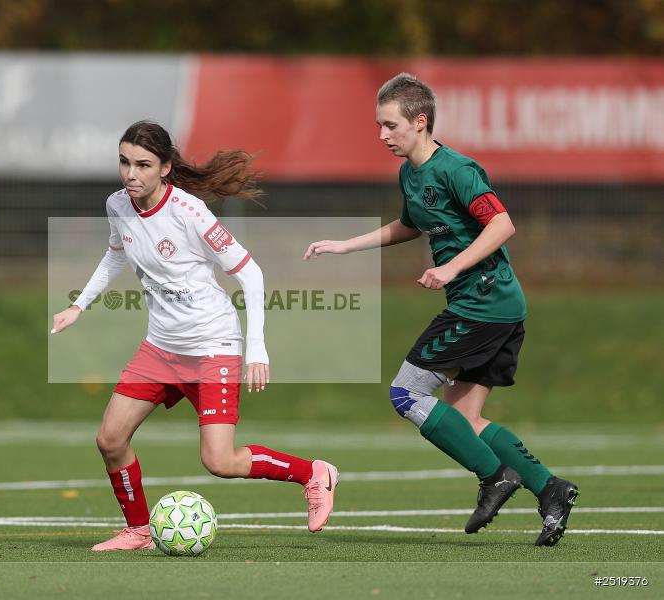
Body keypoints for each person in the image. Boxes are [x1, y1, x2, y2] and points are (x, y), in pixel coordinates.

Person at [304, 73, 578, 547]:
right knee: (465, 421)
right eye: (378, 125)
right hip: (495, 308)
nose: (382, 135)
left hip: (483, 304)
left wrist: (450, 269)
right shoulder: (410, 173)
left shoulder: (457, 169)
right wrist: (346, 245)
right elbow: (411, 225)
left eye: (390, 125)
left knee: (406, 393)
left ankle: (496, 477)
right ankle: (551, 489)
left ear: (420, 121)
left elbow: (502, 225)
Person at [51, 120, 338, 551]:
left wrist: (257, 347)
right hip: (160, 348)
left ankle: (313, 473)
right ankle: (139, 531)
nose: (131, 174)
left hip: (212, 347)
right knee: (110, 439)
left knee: (219, 461)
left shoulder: (189, 212)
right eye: (125, 162)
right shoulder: (118, 204)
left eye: (143, 165)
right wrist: (79, 305)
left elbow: (251, 273)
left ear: (165, 168)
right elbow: (115, 255)